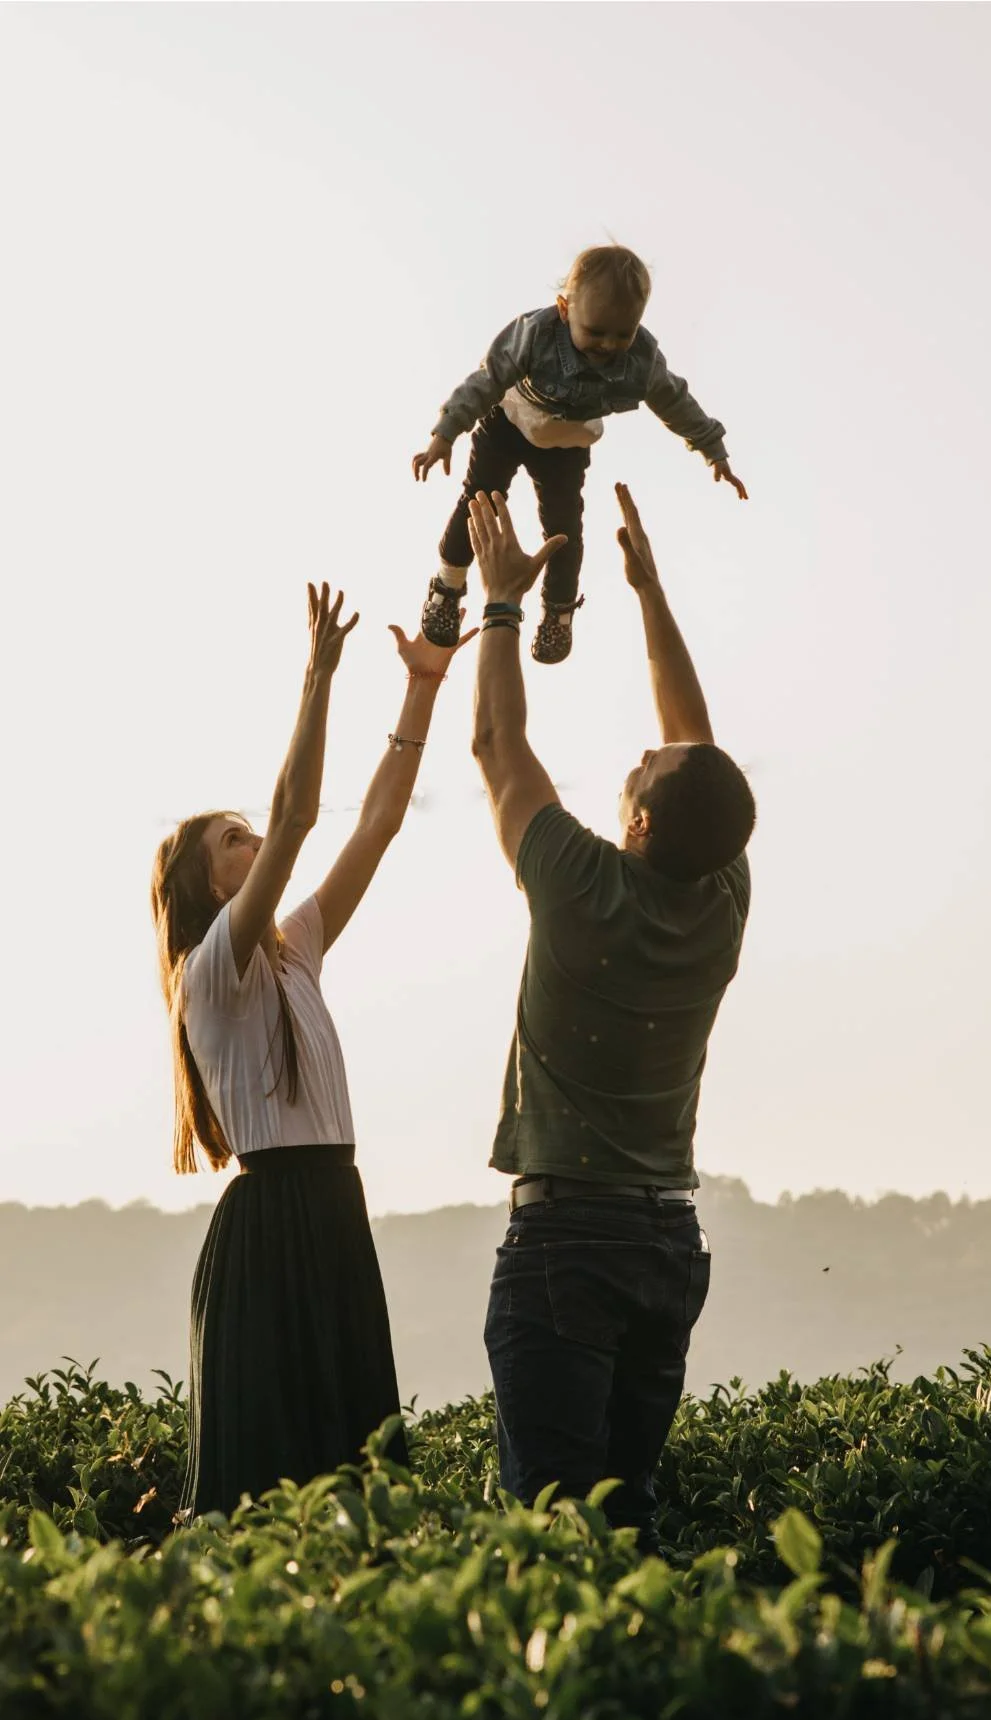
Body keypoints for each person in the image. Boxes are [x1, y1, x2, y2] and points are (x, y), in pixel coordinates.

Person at [466, 481, 756, 1554]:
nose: (640, 751)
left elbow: (498, 747)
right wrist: (648, 593)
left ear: (635, 820)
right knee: (628, 1526)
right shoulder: (719, 893)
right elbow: (700, 751)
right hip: (666, 1241)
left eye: (640, 770)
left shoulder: (582, 886)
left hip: (570, 1241)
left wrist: (500, 605)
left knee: (549, 1535)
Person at [150, 584, 475, 1517]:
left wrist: (423, 687)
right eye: (233, 839)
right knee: (267, 1490)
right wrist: (317, 678)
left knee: (358, 1478)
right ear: (204, 882)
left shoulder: (296, 948)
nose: (256, 842)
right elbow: (298, 818)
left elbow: (374, 825)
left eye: (248, 833)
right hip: (272, 1229)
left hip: (334, 1208)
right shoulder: (211, 968)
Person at [411, 243, 748, 666]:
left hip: (566, 442)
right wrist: (446, 432)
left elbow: (676, 401)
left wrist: (712, 450)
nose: (608, 345)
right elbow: (488, 379)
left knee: (564, 527)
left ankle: (559, 609)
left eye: (622, 334)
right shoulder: (535, 333)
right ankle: (448, 583)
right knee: (480, 499)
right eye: (596, 332)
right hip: (509, 420)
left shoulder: (642, 362)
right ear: (565, 309)